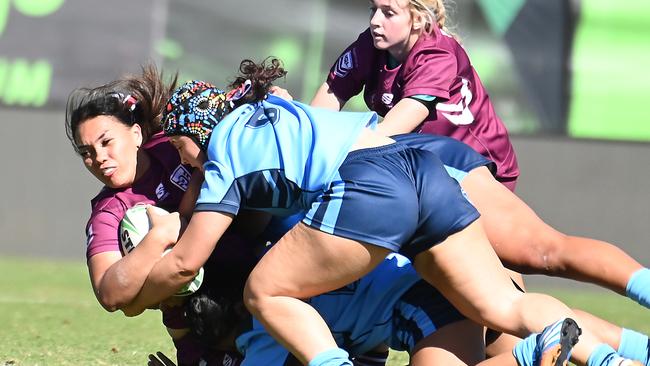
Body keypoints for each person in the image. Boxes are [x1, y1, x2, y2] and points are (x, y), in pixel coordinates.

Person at [119, 58, 641, 366]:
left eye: (181, 146)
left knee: (264, 291)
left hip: (371, 185)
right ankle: (609, 361)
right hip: (420, 167)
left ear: (196, 131)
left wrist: (139, 292)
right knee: (502, 307)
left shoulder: (224, 154)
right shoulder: (269, 112)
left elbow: (187, 263)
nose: (183, 160)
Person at [309, 0, 650, 316]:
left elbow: (395, 128)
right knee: (469, 294)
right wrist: (303, 137)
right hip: (422, 173)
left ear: (418, 20)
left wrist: (333, 150)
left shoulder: (436, 53)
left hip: (468, 170)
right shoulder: (370, 46)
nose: (375, 21)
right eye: (373, 9)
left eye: (388, 12)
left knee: (542, 254)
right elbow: (330, 95)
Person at [64, 66, 257, 366]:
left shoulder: (175, 142)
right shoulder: (109, 211)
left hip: (257, 258)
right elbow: (110, 293)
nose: (98, 157)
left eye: (106, 141)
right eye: (86, 151)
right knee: (201, 310)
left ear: (137, 133)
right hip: (204, 313)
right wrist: (162, 235)